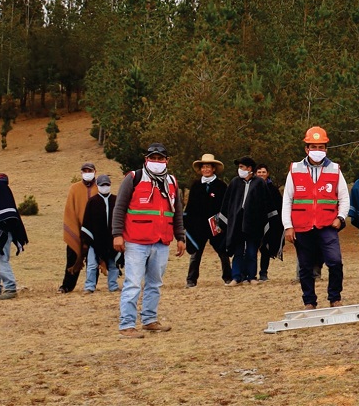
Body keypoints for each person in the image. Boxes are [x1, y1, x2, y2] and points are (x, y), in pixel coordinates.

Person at [111, 143, 185, 338]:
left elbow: (176, 212)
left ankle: (149, 320)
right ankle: (126, 325)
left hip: (161, 241)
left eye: (161, 158)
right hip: (136, 240)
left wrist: (180, 237)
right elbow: (119, 208)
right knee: (133, 283)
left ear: (167, 161)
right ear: (146, 159)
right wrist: (117, 234)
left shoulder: (172, 182)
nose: (157, 161)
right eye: (153, 158)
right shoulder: (133, 178)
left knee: (155, 284)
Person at [282, 126, 349, 309]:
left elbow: (344, 197)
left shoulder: (335, 169)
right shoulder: (295, 169)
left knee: (335, 262)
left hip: (327, 225)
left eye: (321, 147)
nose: (317, 151)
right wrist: (288, 226)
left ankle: (334, 297)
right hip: (302, 226)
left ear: (326, 149)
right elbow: (287, 199)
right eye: (313, 147)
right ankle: (309, 301)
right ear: (306, 148)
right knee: (305, 267)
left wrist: (341, 218)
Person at [183, 154, 232, 288]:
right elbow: (191, 205)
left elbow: (226, 205)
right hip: (198, 226)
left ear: (214, 169)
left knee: (222, 252)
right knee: (195, 254)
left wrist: (222, 223)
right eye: (203, 167)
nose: (206, 169)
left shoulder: (221, 186)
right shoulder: (196, 185)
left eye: (208, 167)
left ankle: (228, 277)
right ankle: (191, 280)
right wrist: (187, 222)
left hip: (216, 224)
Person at [222, 156, 271, 285]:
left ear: (249, 168)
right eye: (239, 167)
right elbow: (227, 202)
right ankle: (236, 277)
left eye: (242, 167)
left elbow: (265, 203)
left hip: (253, 222)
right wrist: (224, 221)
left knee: (251, 251)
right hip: (237, 223)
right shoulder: (234, 182)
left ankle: (252, 277)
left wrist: (266, 221)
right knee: (238, 251)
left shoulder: (259, 183)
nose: (240, 169)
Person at [58, 162, 98, 293]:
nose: (87, 173)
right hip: (77, 229)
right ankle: (67, 286)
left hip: (94, 230)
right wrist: (75, 229)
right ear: (81, 173)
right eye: (85, 171)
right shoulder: (74, 188)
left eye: (89, 170)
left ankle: (91, 286)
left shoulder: (100, 187)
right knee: (72, 257)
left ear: (95, 172)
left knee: (94, 260)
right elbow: (70, 210)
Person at [77, 174, 120, 293]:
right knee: (91, 264)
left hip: (112, 239)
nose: (104, 187)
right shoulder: (92, 202)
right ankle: (89, 286)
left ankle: (113, 285)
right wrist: (87, 239)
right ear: (98, 186)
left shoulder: (116, 200)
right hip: (95, 240)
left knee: (113, 263)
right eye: (102, 185)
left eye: (107, 184)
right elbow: (87, 222)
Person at [0, 172, 28, 300]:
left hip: (2, 230)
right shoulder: (5, 191)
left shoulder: (1, 189)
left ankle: (10, 287)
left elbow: (7, 216)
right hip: (5, 230)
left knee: (0, 259)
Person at [257, 164, 284, 281]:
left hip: (270, 224)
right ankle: (248, 274)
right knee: (250, 249)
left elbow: (279, 207)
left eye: (263, 172)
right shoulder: (250, 187)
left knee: (265, 249)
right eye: (259, 172)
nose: (261, 174)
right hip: (253, 223)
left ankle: (263, 273)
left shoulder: (273, 190)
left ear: (267, 174)